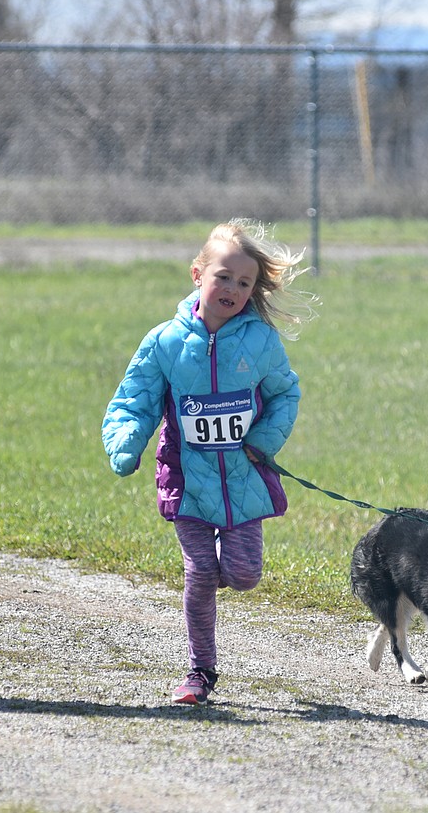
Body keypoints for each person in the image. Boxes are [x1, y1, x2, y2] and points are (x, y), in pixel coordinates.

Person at [102, 219, 314, 705]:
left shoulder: (259, 341)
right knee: (199, 574)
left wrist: (263, 440)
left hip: (242, 479)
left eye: (245, 283)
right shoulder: (165, 342)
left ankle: (214, 587)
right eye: (224, 277)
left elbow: (286, 393)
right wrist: (126, 444)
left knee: (243, 576)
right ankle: (200, 671)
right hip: (188, 480)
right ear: (197, 274)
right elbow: (135, 400)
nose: (233, 289)